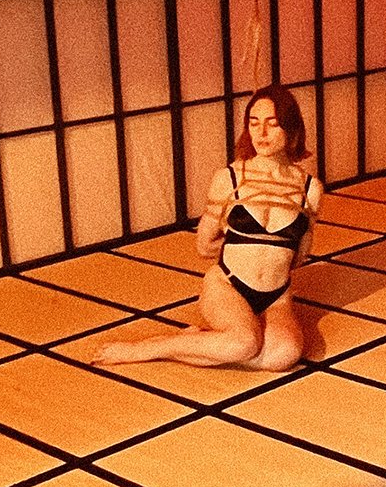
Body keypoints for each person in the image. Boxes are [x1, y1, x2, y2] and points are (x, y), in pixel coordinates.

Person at [94, 85, 322, 373]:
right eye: (254, 123)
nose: (261, 133)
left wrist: (267, 255)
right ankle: (152, 347)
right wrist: (244, 249)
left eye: (272, 124)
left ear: (291, 128)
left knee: (284, 355)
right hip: (228, 285)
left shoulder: (310, 189)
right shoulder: (229, 178)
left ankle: (204, 342)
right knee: (244, 344)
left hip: (276, 296)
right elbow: (204, 246)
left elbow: (299, 255)